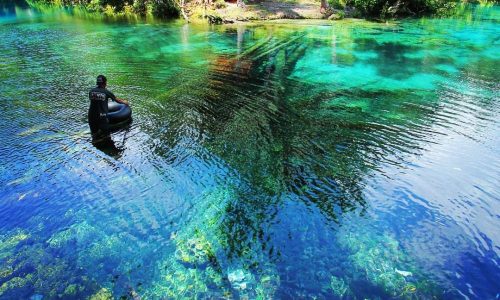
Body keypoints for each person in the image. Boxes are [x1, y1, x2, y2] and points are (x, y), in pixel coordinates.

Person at [88, 75, 129, 144]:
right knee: (107, 135)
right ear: (105, 83)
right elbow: (117, 100)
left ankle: (95, 141)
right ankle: (105, 145)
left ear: (97, 83)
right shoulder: (106, 92)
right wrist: (125, 102)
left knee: (94, 133)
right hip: (102, 116)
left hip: (91, 115)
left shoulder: (91, 91)